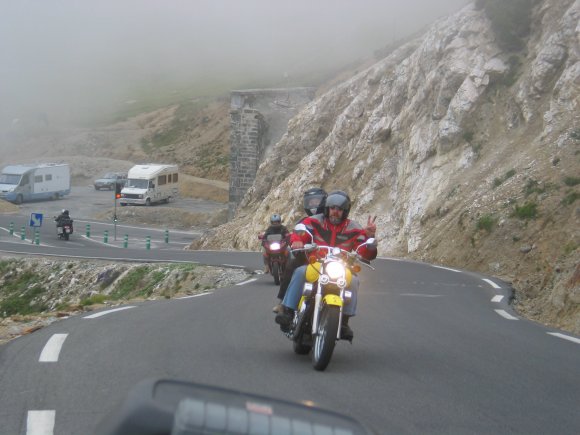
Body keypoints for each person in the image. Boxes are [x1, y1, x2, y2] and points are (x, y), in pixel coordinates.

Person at [275, 190, 377, 341]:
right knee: (301, 272)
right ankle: (287, 310)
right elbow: (300, 231)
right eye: (333, 208)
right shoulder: (314, 221)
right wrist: (297, 240)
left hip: (341, 267)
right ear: (327, 208)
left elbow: (365, 251)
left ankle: (344, 322)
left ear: (345, 211)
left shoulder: (354, 228)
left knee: (354, 281)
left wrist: (369, 238)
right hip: (317, 263)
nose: (336, 212)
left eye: (340, 209)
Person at [272, 188, 327, 313]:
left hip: (329, 259)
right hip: (306, 257)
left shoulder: (330, 221)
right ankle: (283, 302)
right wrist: (297, 242)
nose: (313, 205)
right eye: (311, 203)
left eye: (316, 202)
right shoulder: (303, 222)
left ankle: (343, 316)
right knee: (291, 267)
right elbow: (297, 233)